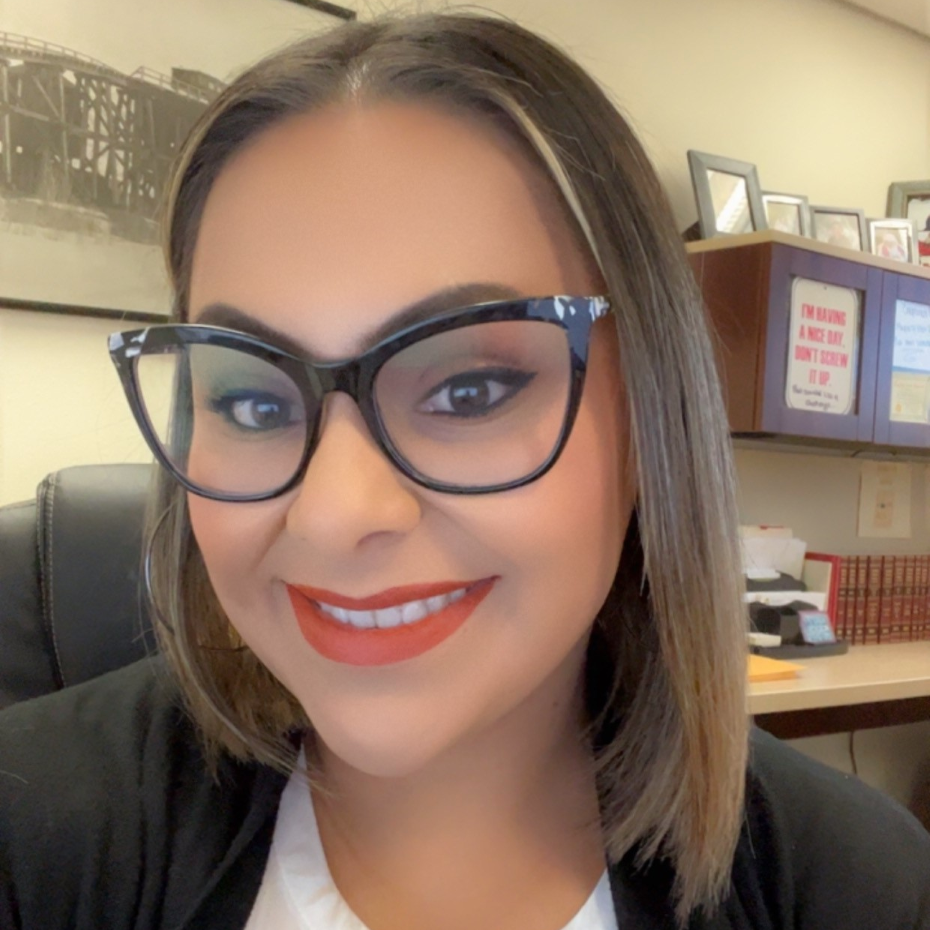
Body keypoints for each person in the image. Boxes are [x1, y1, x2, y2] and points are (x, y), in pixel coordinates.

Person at [1, 12, 929, 930]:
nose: (332, 514)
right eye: (254, 403)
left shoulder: (857, 885)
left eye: (470, 392)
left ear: (654, 416)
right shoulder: (33, 834)